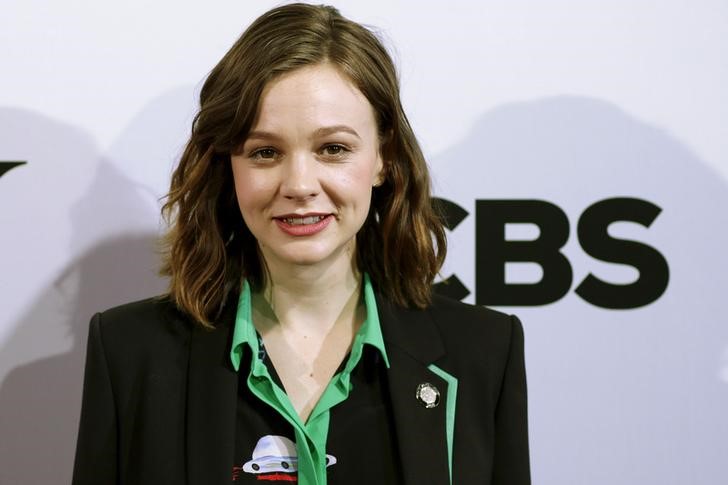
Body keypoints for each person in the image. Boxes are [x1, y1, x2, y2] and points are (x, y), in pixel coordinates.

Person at [72, 3, 530, 484]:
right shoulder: (130, 354)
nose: (299, 183)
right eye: (265, 152)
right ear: (228, 165)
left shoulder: (482, 352)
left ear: (383, 157)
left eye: (333, 148)